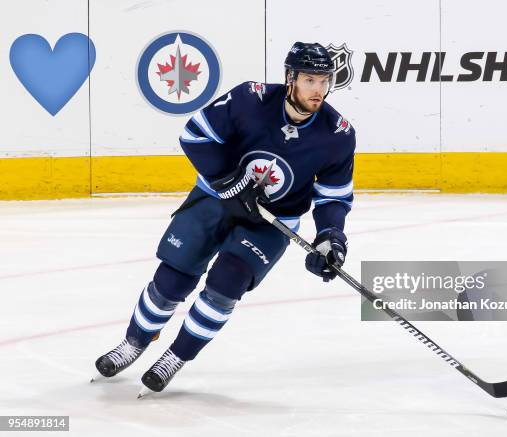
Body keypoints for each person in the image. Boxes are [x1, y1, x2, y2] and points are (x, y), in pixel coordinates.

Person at [93, 42, 356, 394]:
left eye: (325, 81)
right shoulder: (250, 99)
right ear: (290, 78)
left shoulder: (337, 134)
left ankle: (176, 356)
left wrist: (330, 236)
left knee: (225, 287)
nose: (318, 90)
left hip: (269, 222)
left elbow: (333, 196)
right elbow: (195, 134)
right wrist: (229, 180)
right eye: (310, 80)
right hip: (215, 198)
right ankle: (134, 343)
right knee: (172, 279)